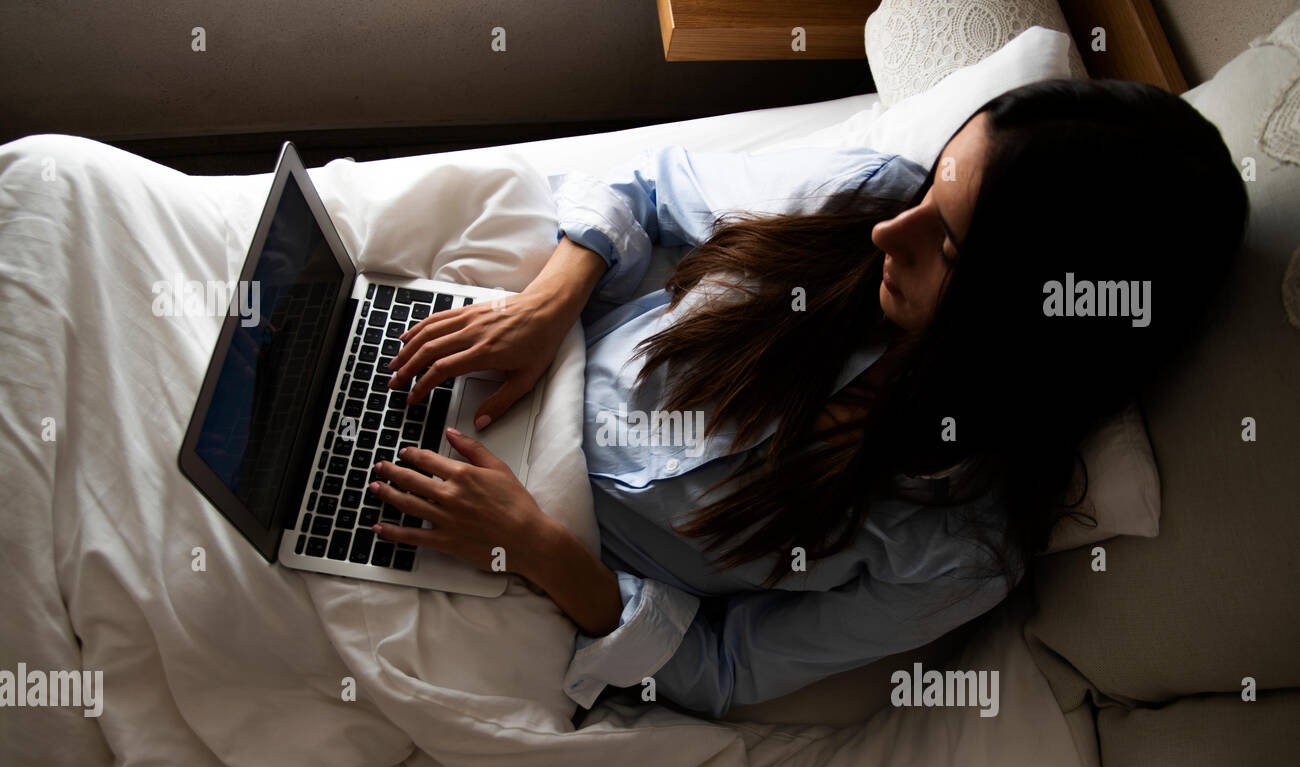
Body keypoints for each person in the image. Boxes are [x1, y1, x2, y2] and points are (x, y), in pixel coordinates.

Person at [371, 79, 1248, 720]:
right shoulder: (864, 197)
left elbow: (723, 672)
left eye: (944, 241)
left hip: (535, 572)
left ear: (1023, 327)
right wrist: (548, 301)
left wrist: (534, 547)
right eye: (935, 184)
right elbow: (644, 185)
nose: (889, 230)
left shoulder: (954, 549)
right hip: (517, 366)